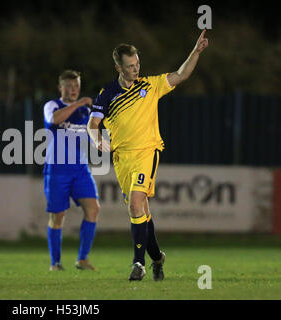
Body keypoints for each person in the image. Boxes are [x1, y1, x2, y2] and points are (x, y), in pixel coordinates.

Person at [87, 30, 209, 281]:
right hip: (122, 159)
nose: (135, 69)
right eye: (130, 66)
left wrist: (195, 51)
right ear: (118, 67)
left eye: (137, 64)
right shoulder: (108, 93)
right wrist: (97, 139)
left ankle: (138, 264)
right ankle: (157, 258)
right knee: (140, 210)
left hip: (147, 152)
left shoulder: (150, 86)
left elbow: (181, 74)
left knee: (135, 203)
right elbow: (93, 123)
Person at [43, 70, 100, 271]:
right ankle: (55, 263)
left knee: (93, 209)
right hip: (57, 170)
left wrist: (99, 140)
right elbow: (55, 120)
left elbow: (92, 131)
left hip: (80, 169)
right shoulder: (52, 105)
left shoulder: (86, 112)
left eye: (76, 85)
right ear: (60, 88)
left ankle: (82, 259)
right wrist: (79, 103)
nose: (73, 89)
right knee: (57, 217)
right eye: (69, 85)